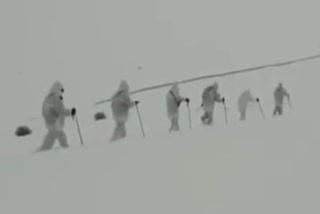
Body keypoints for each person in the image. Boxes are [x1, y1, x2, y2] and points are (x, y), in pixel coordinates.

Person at [37, 81, 76, 151]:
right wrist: (70, 112)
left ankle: (43, 149)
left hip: (49, 122)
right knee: (60, 136)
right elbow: (60, 110)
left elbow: (43, 111)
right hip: (55, 122)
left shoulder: (48, 98)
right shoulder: (56, 97)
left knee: (52, 136)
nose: (61, 91)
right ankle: (66, 149)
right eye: (61, 89)